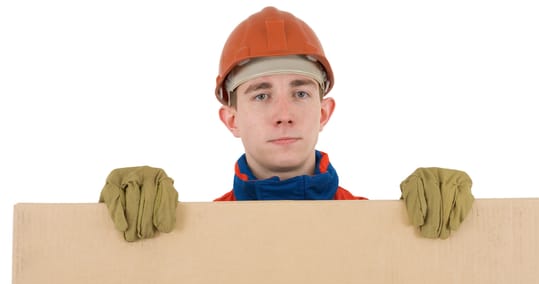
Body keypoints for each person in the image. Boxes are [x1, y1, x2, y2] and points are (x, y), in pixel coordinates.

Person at [100, 6, 474, 241]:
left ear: (324, 112)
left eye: (300, 93)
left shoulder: (378, 230)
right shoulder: (193, 234)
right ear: (231, 119)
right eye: (261, 95)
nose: (284, 113)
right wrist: (114, 234)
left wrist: (436, 243)